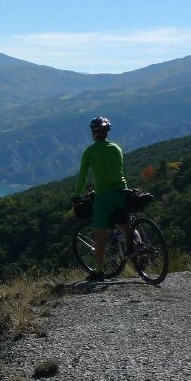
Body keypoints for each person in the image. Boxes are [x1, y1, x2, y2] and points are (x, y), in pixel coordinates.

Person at [72, 116, 132, 281]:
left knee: (100, 235)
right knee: (124, 222)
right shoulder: (116, 148)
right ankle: (137, 246)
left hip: (104, 197)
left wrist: (77, 195)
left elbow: (82, 177)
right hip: (122, 192)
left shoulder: (90, 152)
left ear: (93, 133)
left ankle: (99, 271)